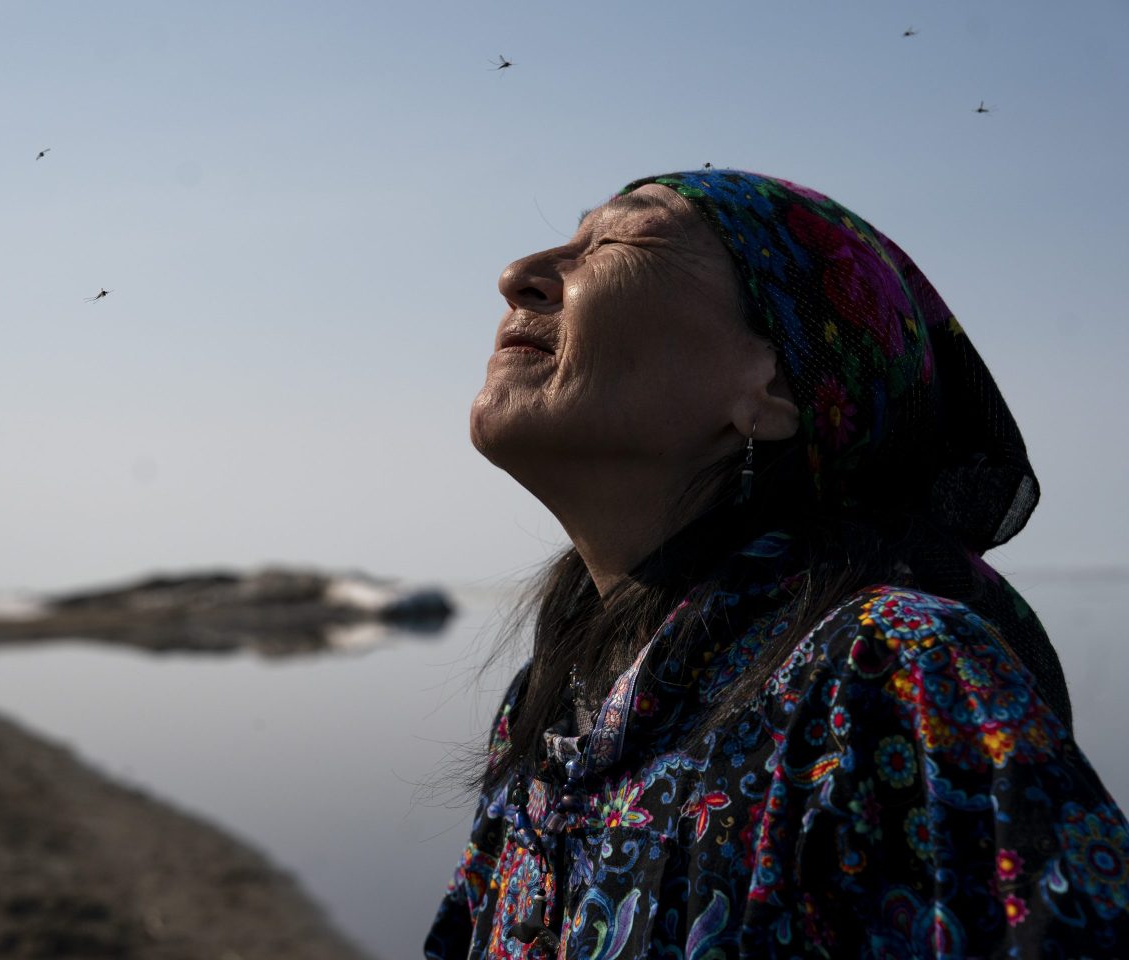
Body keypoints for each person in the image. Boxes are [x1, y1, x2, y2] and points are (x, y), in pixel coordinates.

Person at [425, 170, 1129, 959]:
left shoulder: (891, 669)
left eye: (619, 239)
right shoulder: (549, 702)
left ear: (771, 387)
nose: (516, 275)